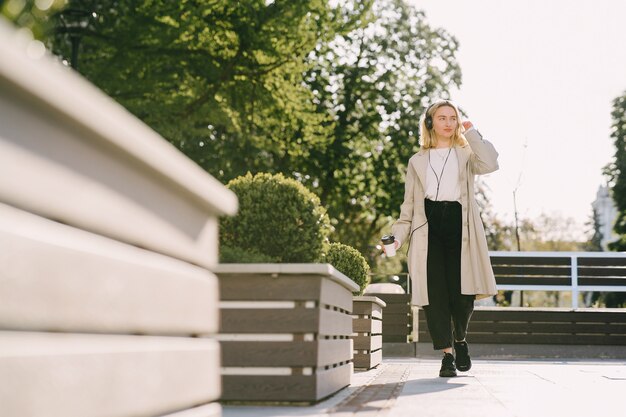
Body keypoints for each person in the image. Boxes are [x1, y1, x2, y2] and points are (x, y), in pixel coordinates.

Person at [386, 99, 499, 377]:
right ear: (430, 123)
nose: (448, 123)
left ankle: (460, 340)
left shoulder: (466, 153)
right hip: (429, 229)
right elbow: (409, 209)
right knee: (435, 295)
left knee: (463, 295)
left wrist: (471, 130)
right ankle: (447, 355)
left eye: (453, 118)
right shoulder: (417, 161)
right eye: (442, 118)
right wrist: (397, 238)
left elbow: (490, 162)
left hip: (461, 228)